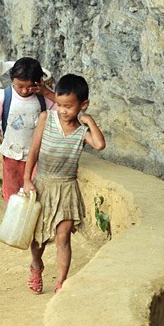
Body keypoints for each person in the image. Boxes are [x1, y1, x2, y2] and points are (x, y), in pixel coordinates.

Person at [22, 74, 106, 294]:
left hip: (67, 188)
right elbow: (34, 151)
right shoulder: (46, 118)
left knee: (63, 236)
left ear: (83, 105)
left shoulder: (82, 131)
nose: (62, 110)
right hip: (43, 184)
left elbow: (99, 145)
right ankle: (36, 265)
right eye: (59, 105)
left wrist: (89, 121)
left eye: (69, 106)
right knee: (38, 237)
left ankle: (61, 283)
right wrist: (27, 180)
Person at [0, 57, 57, 203]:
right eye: (20, 86)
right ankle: (13, 219)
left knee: (35, 191)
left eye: (30, 87)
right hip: (12, 154)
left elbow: (64, 104)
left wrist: (46, 92)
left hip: (37, 157)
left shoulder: (43, 97)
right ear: (12, 79)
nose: (25, 91)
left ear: (39, 82)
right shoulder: (4, 96)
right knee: (12, 190)